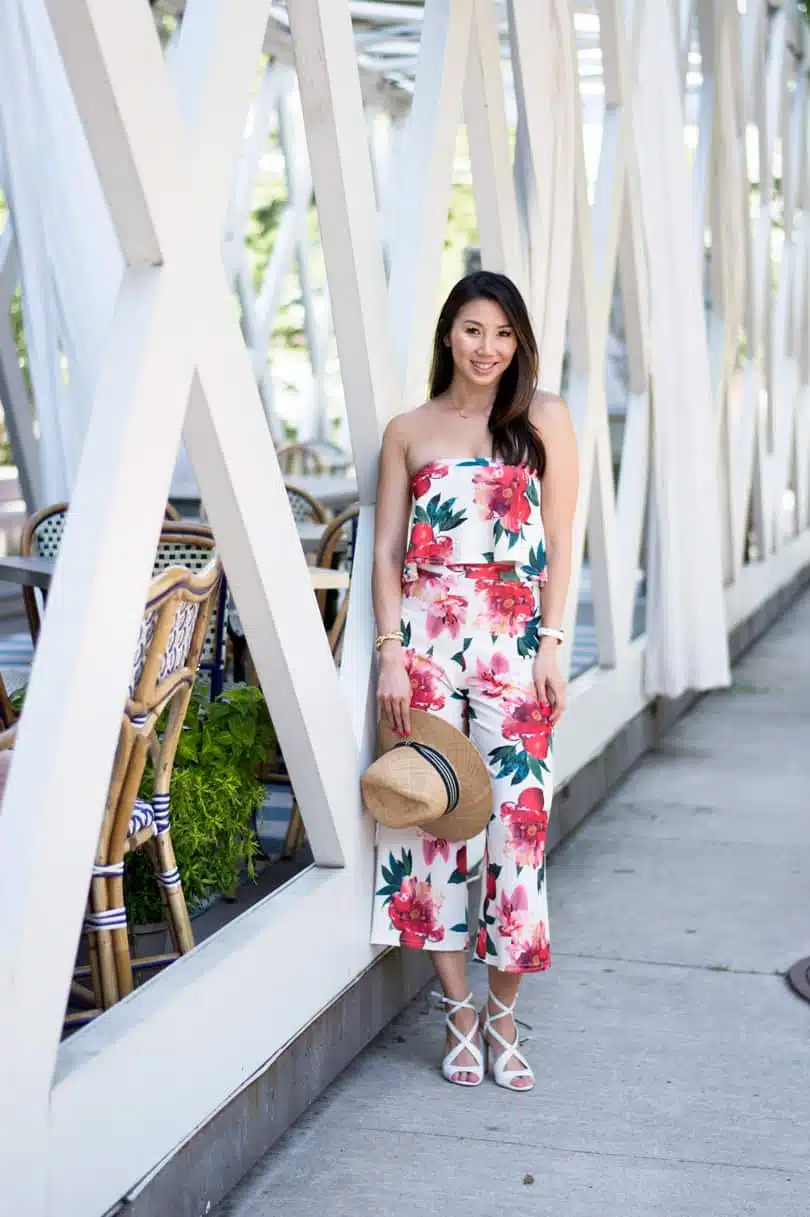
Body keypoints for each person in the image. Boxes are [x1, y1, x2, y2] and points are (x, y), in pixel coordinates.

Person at [369, 270, 578, 1090]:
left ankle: (503, 1012)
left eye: (501, 333)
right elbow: (387, 552)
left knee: (518, 829)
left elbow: (560, 541)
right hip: (423, 645)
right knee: (428, 825)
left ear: (518, 340)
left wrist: (552, 644)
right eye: (471, 330)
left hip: (515, 645)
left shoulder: (544, 419)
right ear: (446, 336)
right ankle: (455, 1007)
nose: (486, 348)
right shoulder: (408, 430)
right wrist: (391, 649)